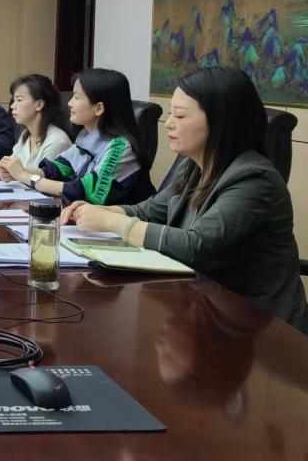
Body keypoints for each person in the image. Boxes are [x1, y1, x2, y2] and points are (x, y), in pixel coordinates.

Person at [62, 66, 308, 333]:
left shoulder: (253, 179)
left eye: (179, 115)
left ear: (220, 121)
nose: (169, 123)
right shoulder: (194, 166)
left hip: (260, 326)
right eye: (170, 114)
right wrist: (101, 211)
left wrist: (113, 223)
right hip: (204, 309)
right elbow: (151, 210)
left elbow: (196, 245)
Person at [0, 68, 154, 205]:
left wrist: (25, 176)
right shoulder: (86, 136)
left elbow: (84, 191)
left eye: (76, 97)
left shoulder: (121, 147)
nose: (69, 103)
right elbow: (55, 170)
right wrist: (16, 172)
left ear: (98, 108)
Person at [0, 74, 73, 171]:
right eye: (14, 100)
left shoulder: (57, 141)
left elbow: (45, 177)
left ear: (39, 105)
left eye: (19, 100)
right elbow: (10, 166)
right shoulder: (26, 134)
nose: (12, 106)